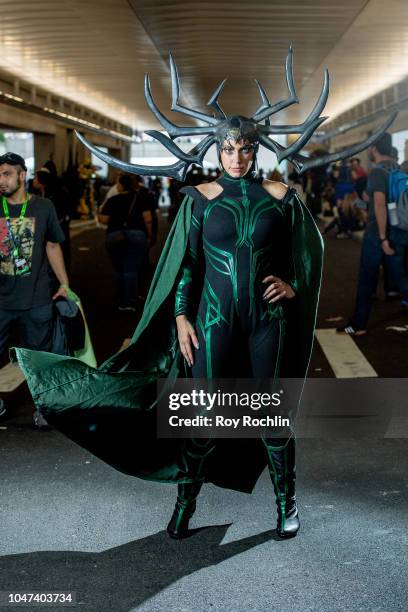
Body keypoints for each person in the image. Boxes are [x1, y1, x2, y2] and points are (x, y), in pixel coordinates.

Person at [13, 48, 395, 538]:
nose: (236, 157)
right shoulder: (198, 200)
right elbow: (186, 265)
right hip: (211, 321)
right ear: (217, 151)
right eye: (228, 150)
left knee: (271, 414)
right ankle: (185, 503)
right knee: (201, 416)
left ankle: (286, 503)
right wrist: (178, 317)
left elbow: (306, 254)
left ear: (256, 150)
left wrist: (294, 283)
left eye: (244, 149)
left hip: (265, 323)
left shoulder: (281, 197)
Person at [0, 152, 69, 427]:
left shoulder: (43, 207)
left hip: (36, 297)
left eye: (6, 174)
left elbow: (53, 245)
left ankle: (43, 407)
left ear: (22, 175)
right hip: (1, 299)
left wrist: (64, 284)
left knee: (39, 357)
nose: (1, 180)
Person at [337, 133, 408, 335]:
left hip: (379, 233)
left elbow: (379, 204)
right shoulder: (397, 168)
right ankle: (358, 323)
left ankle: (358, 324)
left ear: (374, 148)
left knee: (367, 277)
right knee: (400, 277)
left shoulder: (377, 171)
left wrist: (383, 238)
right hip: (400, 229)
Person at [98, 174, 153, 310]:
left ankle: (121, 299)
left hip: (115, 235)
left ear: (121, 185)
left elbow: (103, 220)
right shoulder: (141, 198)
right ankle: (129, 301)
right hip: (137, 234)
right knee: (131, 269)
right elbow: (148, 219)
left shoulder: (113, 199)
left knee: (118, 268)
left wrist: (102, 207)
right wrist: (149, 236)